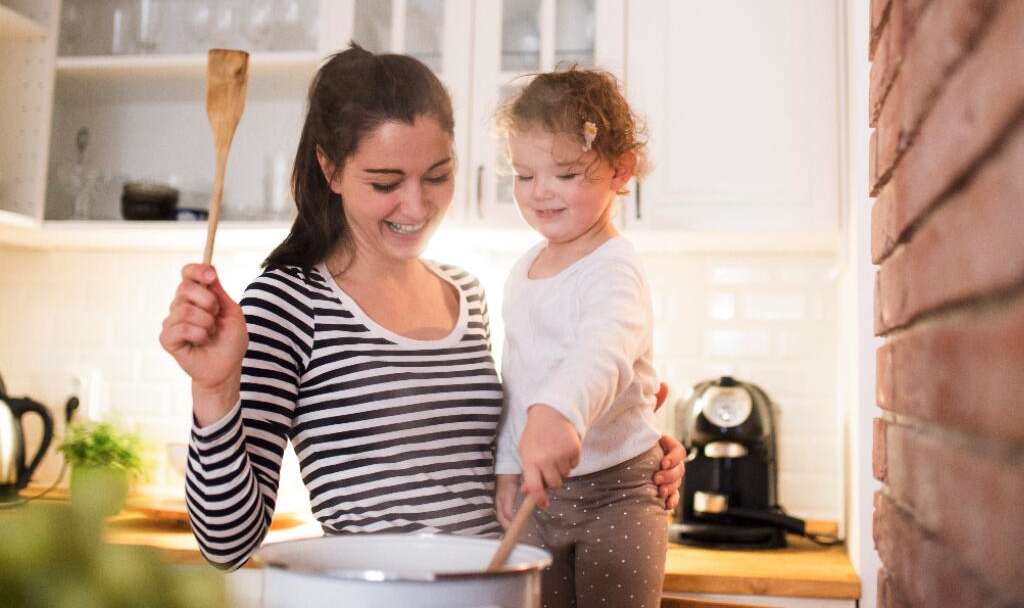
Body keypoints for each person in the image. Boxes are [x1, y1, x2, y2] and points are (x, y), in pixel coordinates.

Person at [158, 46, 684, 571]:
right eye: (385, 183)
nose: (415, 206)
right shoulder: (289, 303)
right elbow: (226, 544)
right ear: (331, 169)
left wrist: (623, 454)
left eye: (437, 175)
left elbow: (523, 438)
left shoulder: (465, 293)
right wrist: (214, 389)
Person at [492, 67, 670, 608]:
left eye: (565, 173)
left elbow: (605, 348)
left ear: (621, 169)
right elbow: (516, 379)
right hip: (538, 496)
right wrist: (506, 466)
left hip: (618, 493)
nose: (540, 192)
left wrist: (561, 411)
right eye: (524, 175)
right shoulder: (523, 270)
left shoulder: (614, 266)